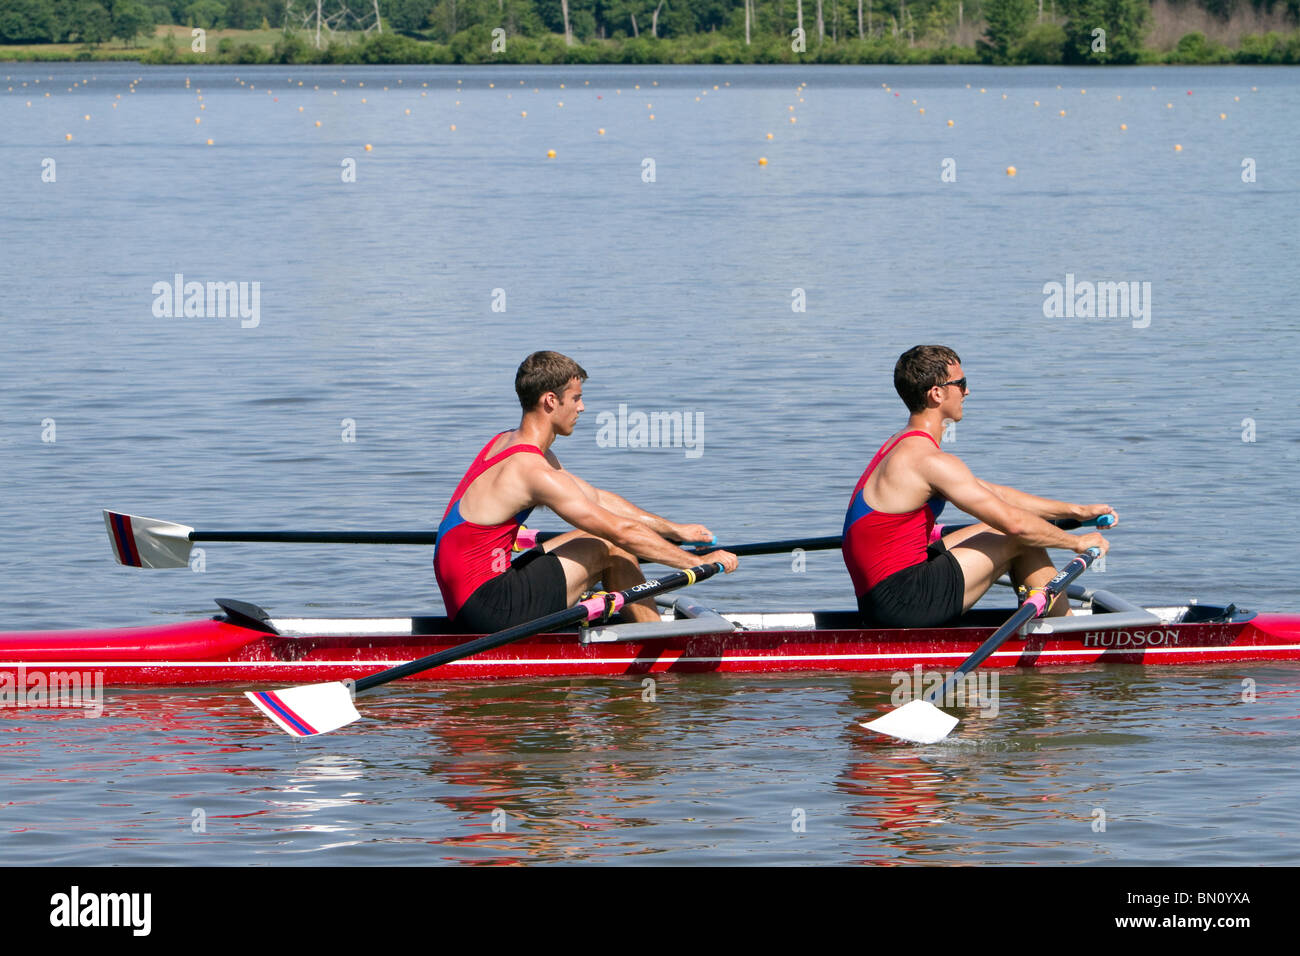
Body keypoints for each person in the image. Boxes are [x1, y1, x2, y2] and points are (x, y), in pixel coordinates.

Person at [434, 351, 738, 632]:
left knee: (602, 538)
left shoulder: (508, 443)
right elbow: (622, 532)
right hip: (490, 608)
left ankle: (639, 626)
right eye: (576, 398)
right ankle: (658, 646)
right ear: (551, 401)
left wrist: (675, 530)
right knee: (613, 545)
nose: (582, 407)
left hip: (472, 596)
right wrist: (697, 563)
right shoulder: (532, 471)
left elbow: (597, 498)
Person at [843, 345, 1114, 628]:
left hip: (881, 598)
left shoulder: (902, 445)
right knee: (1019, 535)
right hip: (902, 603)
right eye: (961, 384)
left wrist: (1076, 510)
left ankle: (1047, 621)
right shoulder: (928, 460)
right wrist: (1077, 543)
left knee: (1004, 527)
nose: (967, 392)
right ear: (937, 393)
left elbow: (996, 494)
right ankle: (1065, 637)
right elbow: (1016, 525)